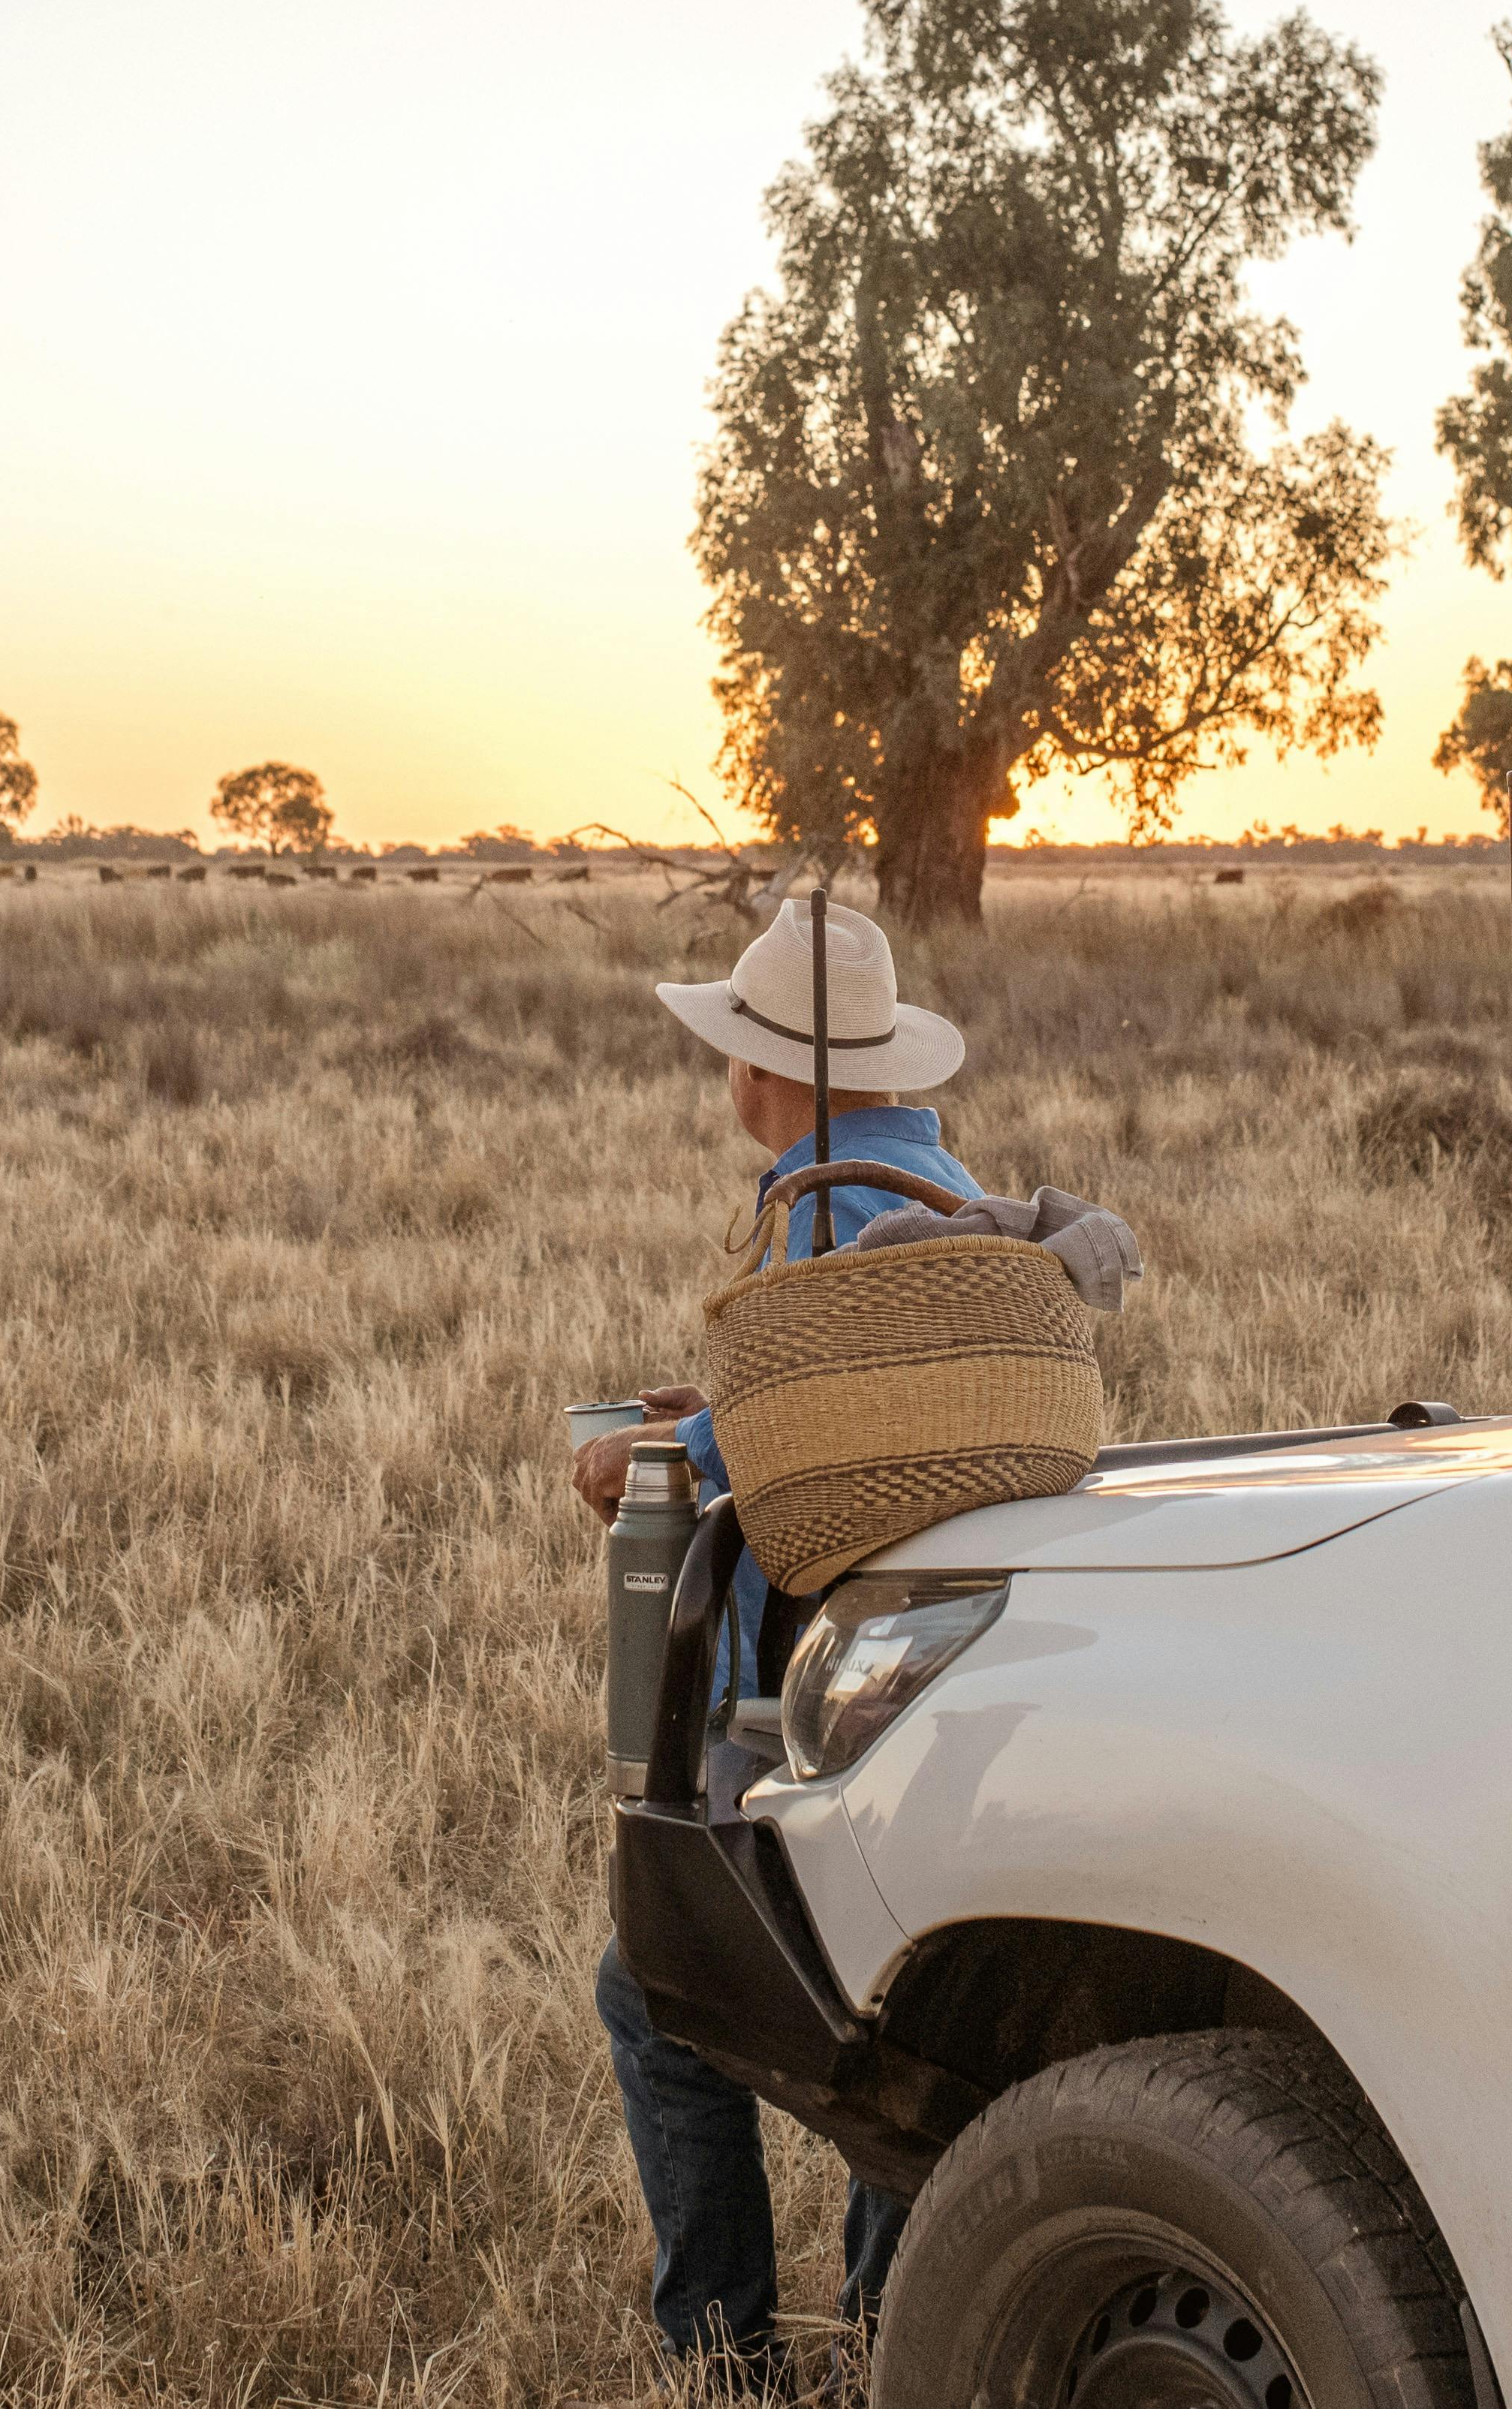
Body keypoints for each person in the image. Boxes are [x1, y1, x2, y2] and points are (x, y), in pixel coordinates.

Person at [571, 899, 979, 2388]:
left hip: (815, 1695)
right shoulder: (945, 1199)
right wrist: (715, 1414)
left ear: (764, 1073)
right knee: (908, 2025)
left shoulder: (816, 1213)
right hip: (952, 1671)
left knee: (660, 1994)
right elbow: (881, 1421)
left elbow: (809, 1460)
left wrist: (657, 1466)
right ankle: (891, 2339)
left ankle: (720, 2353)